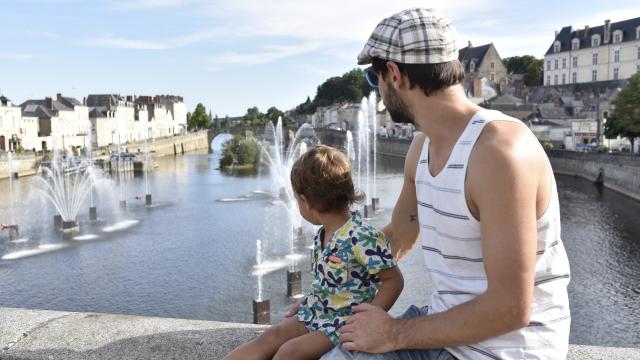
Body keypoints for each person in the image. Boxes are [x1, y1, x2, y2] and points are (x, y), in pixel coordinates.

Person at [319, 8, 571, 360]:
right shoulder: (422, 147)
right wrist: (326, 292)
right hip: (446, 332)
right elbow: (400, 238)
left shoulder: (499, 152)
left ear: (394, 74)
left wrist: (393, 333)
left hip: (506, 351)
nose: (376, 90)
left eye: (373, 78)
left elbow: (511, 307)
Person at [225, 144, 404, 360]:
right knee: (271, 336)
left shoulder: (362, 236)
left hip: (342, 324)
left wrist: (369, 318)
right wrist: (311, 297)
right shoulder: (323, 233)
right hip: (314, 312)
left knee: (289, 353)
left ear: (306, 202)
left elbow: (394, 280)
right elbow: (328, 281)